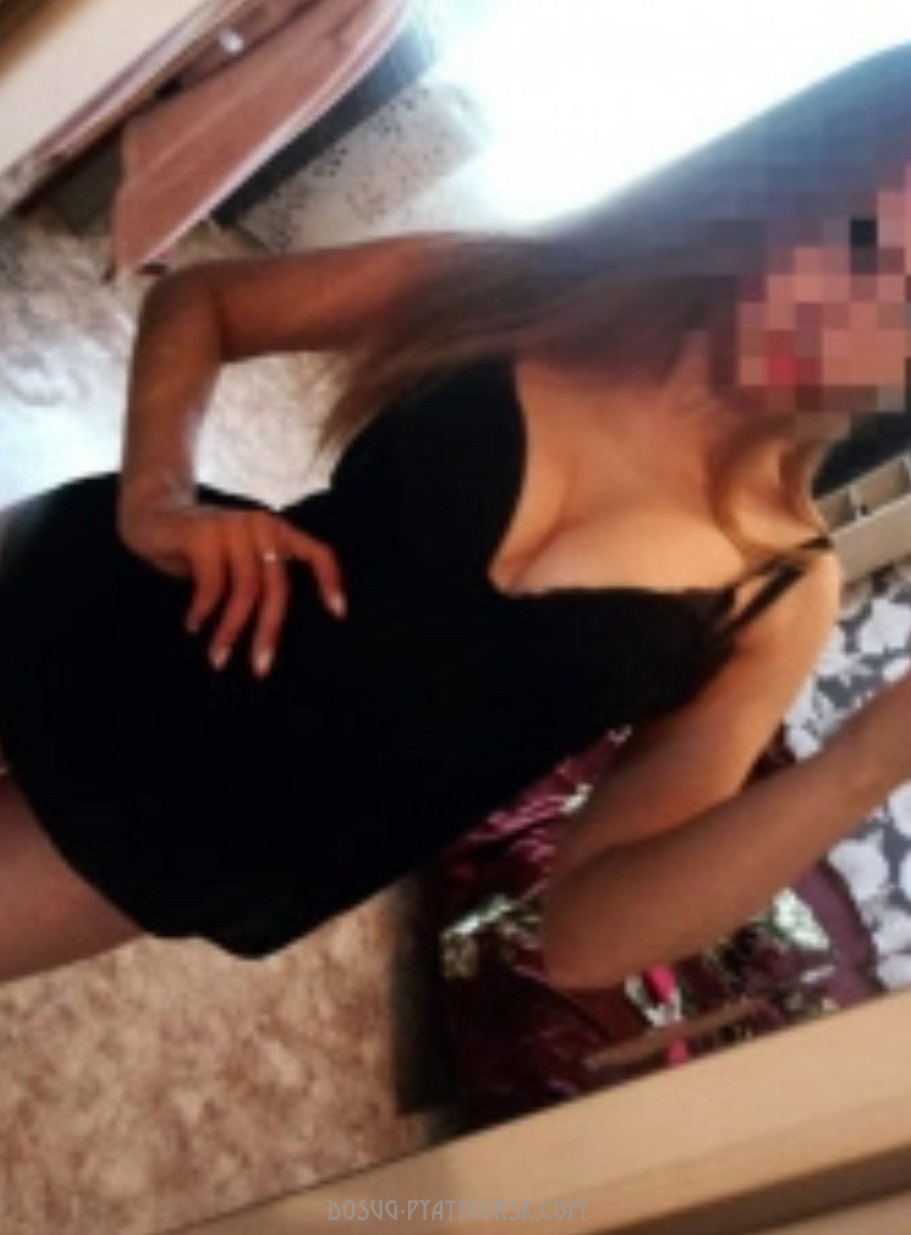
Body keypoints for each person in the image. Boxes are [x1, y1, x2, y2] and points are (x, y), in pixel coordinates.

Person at [0, 43, 910, 987]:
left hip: (200, 822)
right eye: (856, 244)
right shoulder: (542, 291)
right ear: (788, 192)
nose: (854, 321)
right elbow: (208, 303)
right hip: (108, 604)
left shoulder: (779, 592)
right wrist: (159, 494)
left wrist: (863, 762)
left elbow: (587, 940)